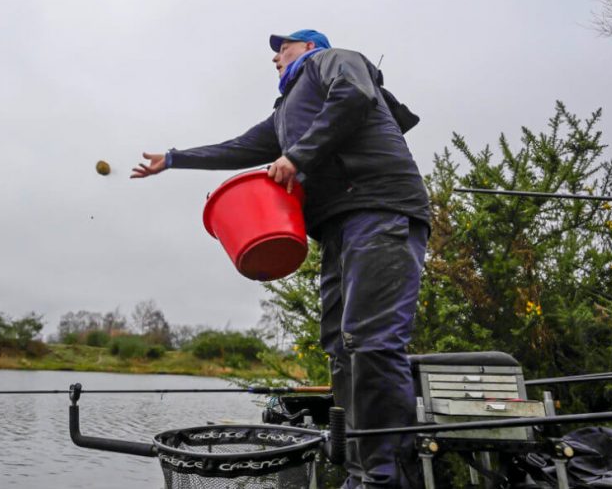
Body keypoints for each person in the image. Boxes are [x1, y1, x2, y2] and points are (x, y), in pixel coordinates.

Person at [131, 29, 430, 489]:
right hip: (336, 229)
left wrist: (298, 155)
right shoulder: (286, 112)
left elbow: (353, 96)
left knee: (372, 342)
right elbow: (239, 148)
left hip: (382, 209)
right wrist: (172, 158)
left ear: (309, 46)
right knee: (341, 349)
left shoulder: (333, 61)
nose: (274, 56)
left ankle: (387, 476)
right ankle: (359, 472)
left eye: (283, 46)